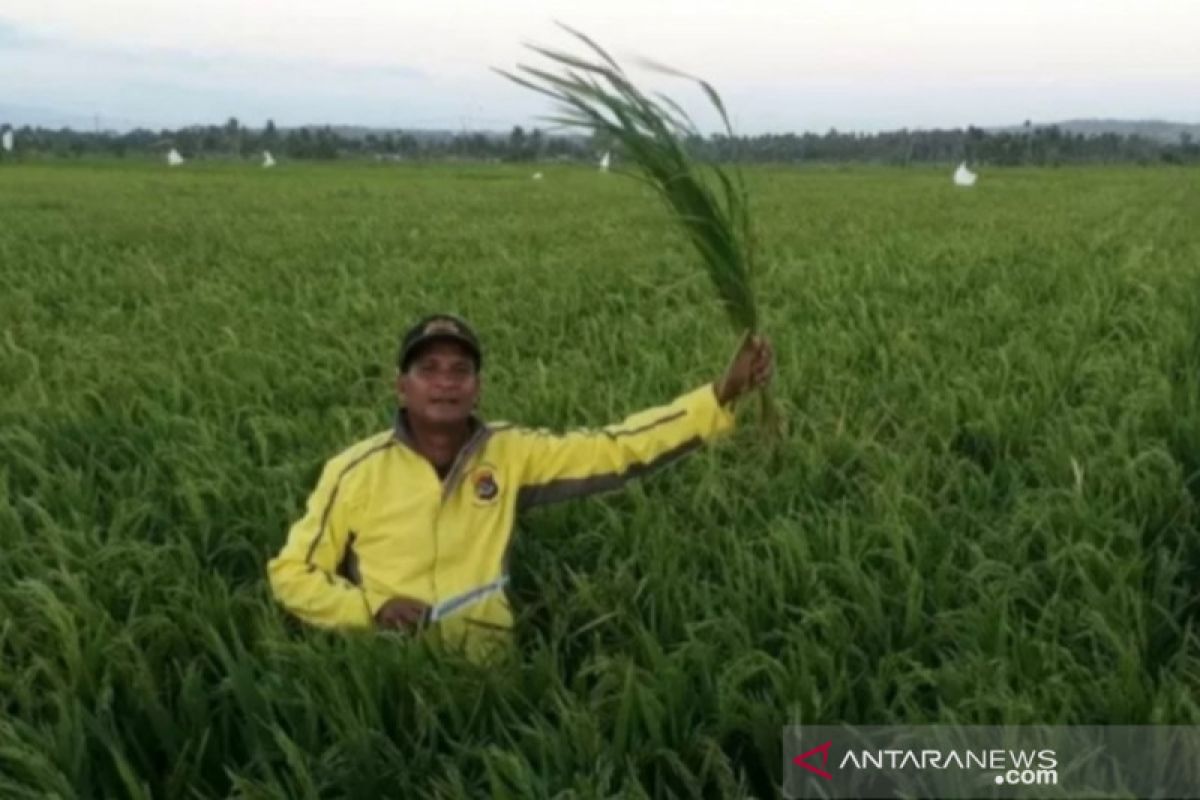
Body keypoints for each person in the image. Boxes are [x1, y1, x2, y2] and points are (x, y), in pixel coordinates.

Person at [267, 313, 774, 660]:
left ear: (476, 387)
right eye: (429, 370)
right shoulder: (355, 471)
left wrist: (719, 395)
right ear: (402, 387)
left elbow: (616, 448)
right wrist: (370, 611)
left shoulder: (509, 453)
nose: (446, 382)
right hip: (387, 678)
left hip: (490, 679)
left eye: (460, 371)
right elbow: (292, 573)